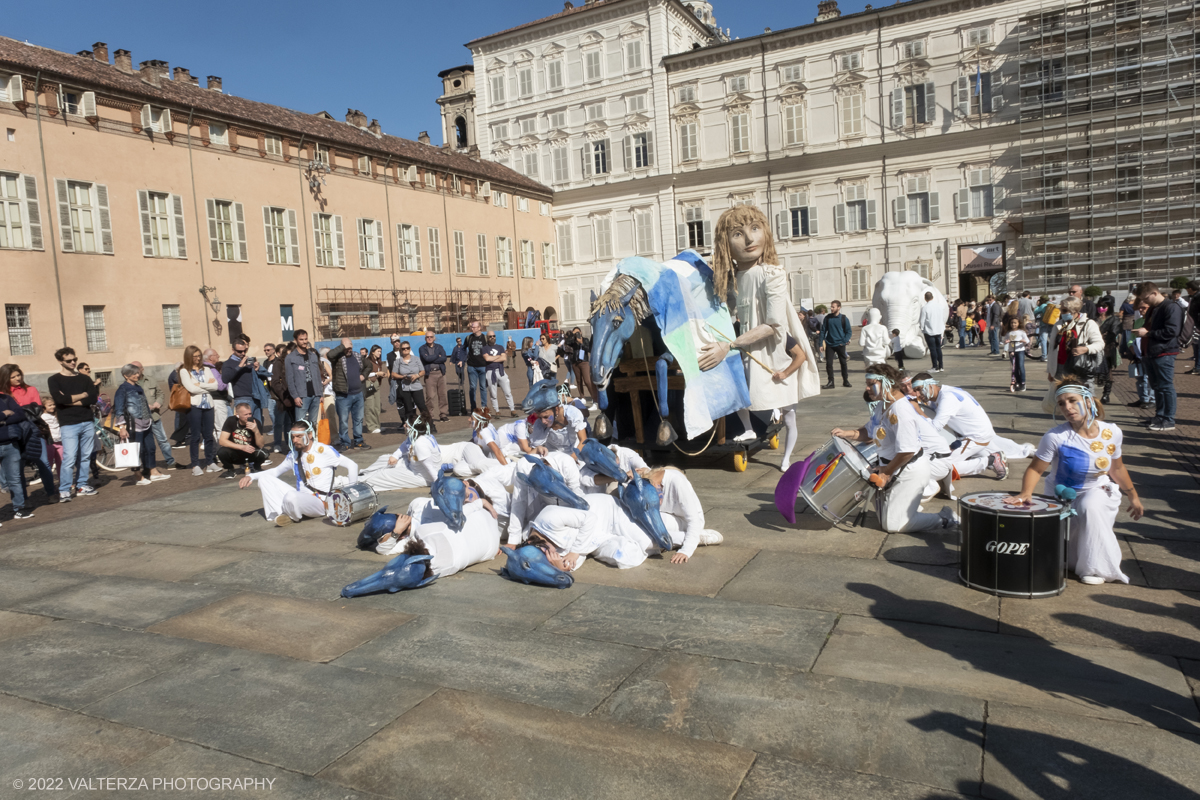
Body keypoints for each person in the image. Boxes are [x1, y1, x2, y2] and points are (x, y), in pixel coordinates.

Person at [698, 205, 821, 450]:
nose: (750, 239)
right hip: (743, 347)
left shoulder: (772, 273)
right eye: (738, 234)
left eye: (755, 229)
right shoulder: (730, 278)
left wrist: (729, 344)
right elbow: (725, 312)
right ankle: (749, 428)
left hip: (764, 350)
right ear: (726, 243)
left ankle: (772, 424)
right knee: (736, 390)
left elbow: (773, 325)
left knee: (778, 406)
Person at [1008, 379, 1141, 584]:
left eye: (1072, 400)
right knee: (1062, 540)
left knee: (1090, 507)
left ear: (1088, 401)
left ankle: (1096, 568)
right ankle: (1074, 561)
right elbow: (1035, 469)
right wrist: (1026, 493)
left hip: (1097, 487)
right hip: (1061, 492)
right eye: (1061, 403)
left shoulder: (1113, 432)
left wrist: (1133, 496)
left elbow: (1117, 468)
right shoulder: (1056, 437)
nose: (1067, 408)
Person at [831, 364, 958, 533]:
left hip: (909, 469)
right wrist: (846, 433)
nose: (867, 388)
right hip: (893, 466)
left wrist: (885, 473)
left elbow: (907, 451)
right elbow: (869, 433)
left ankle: (945, 518)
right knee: (884, 518)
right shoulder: (883, 405)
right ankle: (908, 508)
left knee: (893, 525)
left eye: (871, 383)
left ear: (887, 382)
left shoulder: (900, 409)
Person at [238, 420, 359, 526]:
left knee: (292, 496)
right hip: (301, 497)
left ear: (310, 435)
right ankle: (280, 515)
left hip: (321, 502)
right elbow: (275, 472)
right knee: (265, 480)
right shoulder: (293, 455)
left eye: (299, 436)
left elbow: (352, 465)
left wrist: (351, 496)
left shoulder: (324, 450)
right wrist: (251, 476)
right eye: (293, 436)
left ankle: (290, 515)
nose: (295, 440)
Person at [368, 491, 501, 582]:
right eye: (397, 518)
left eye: (396, 515)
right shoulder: (416, 536)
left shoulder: (417, 503)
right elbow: (383, 550)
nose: (400, 516)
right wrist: (396, 532)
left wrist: (481, 501)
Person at [912, 372, 1033, 467]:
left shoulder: (947, 398)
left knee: (943, 463)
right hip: (981, 433)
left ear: (931, 384)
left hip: (975, 437)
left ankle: (989, 462)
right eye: (915, 391)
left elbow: (935, 427)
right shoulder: (946, 391)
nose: (917, 394)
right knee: (1011, 450)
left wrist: (919, 410)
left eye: (919, 389)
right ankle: (996, 455)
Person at [47, 347, 99, 502]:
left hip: (87, 421)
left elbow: (93, 399)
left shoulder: (84, 378)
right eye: (68, 360)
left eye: (74, 359)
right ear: (60, 361)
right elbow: (59, 400)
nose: (73, 362)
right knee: (69, 457)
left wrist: (70, 400)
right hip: (68, 424)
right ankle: (64, 489)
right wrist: (81, 396)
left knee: (85, 456)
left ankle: (82, 484)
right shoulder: (54, 379)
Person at [1134, 281, 1184, 432]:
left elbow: (1172, 331)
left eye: (1146, 298)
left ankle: (1168, 419)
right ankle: (1160, 416)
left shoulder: (1171, 307)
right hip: (1153, 351)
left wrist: (1147, 333)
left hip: (1165, 351)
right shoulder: (1155, 308)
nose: (1145, 302)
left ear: (1155, 293)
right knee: (1156, 386)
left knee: (1165, 386)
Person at [1, 363, 59, 492]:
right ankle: (24, 500)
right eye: (13, 377)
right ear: (6, 378)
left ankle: (51, 492)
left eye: (19, 375)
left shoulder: (31, 389)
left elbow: (37, 412)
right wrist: (23, 412)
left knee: (44, 462)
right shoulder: (2, 395)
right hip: (15, 434)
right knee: (18, 467)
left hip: (34, 431)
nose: (18, 378)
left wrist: (15, 413)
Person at [113, 364, 171, 486]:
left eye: (137, 373)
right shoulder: (123, 389)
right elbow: (118, 409)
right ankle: (138, 476)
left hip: (146, 421)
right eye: (133, 373)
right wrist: (122, 427)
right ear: (125, 376)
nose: (136, 375)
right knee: (136, 450)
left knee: (150, 448)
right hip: (133, 424)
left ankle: (153, 471)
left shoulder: (138, 387)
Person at [360, 414, 445, 490]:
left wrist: (440, 486)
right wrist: (395, 456)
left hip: (422, 476)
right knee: (384, 458)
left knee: (382, 474)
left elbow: (430, 468)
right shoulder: (418, 436)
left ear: (412, 429)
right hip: (412, 465)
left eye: (406, 425)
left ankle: (357, 482)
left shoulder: (420, 444)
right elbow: (404, 446)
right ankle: (364, 473)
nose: (404, 426)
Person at [1047, 297, 1105, 396]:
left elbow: (1100, 344)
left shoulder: (1089, 324)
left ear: (1075, 311)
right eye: (1061, 309)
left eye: (1064, 310)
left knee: (1085, 398)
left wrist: (1086, 349)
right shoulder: (1059, 325)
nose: (1061, 312)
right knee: (1063, 398)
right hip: (1060, 367)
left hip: (1080, 366)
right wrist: (1050, 370)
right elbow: (1052, 348)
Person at [178, 345, 222, 476]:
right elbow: (191, 389)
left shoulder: (207, 369)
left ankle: (210, 462)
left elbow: (215, 386)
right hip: (195, 406)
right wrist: (207, 387)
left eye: (199, 356)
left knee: (209, 435)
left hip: (208, 405)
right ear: (189, 357)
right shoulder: (184, 371)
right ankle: (195, 464)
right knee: (195, 436)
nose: (198, 359)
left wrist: (201, 385)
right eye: (195, 356)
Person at [327, 337, 369, 451]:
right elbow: (329, 355)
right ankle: (345, 442)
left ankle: (358, 441)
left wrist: (364, 375)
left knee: (358, 419)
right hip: (343, 396)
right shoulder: (337, 358)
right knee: (343, 421)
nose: (349, 349)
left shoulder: (357, 356)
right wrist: (343, 347)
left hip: (358, 394)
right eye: (346, 347)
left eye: (350, 346)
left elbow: (368, 365)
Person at [0, 384, 34, 520]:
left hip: (10, 444)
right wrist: (4, 415)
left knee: (15, 479)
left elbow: (20, 415)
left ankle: (20, 509)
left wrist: (2, 422)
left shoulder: (6, 399)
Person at [216, 401, 269, 478]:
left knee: (264, 453)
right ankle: (230, 470)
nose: (248, 416)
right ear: (237, 415)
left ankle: (256, 467)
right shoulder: (231, 421)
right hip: (235, 452)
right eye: (245, 414)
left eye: (250, 414)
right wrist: (242, 447)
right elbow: (222, 441)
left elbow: (261, 445)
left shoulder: (255, 422)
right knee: (221, 452)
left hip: (250, 452)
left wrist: (256, 430)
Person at [285, 329, 323, 426]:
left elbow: (318, 376)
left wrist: (321, 394)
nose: (304, 341)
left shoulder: (313, 356)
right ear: (296, 340)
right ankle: (299, 441)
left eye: (306, 339)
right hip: (302, 396)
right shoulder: (290, 358)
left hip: (315, 394)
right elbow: (290, 379)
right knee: (300, 424)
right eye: (301, 339)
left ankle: (311, 441)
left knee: (313, 423)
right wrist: (295, 396)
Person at [222, 338, 262, 425]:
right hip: (242, 398)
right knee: (244, 427)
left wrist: (257, 369)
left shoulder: (249, 361)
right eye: (239, 351)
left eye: (245, 351)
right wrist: (239, 366)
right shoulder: (228, 363)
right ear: (233, 350)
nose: (243, 353)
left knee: (258, 427)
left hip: (255, 397)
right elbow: (225, 379)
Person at [391, 340, 431, 425]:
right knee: (408, 409)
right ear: (400, 350)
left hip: (416, 386)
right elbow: (393, 374)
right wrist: (403, 377)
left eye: (407, 348)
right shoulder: (397, 361)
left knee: (422, 406)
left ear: (410, 349)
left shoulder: (416, 359)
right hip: (405, 387)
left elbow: (423, 371)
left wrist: (417, 375)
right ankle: (411, 427)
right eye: (403, 348)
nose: (405, 350)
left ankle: (430, 425)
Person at [818, 300, 853, 388]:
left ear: (839, 307)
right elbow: (823, 331)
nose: (831, 308)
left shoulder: (843, 318)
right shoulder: (827, 318)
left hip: (840, 344)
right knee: (829, 364)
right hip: (830, 344)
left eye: (833, 307)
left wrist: (844, 341)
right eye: (831, 306)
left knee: (843, 363)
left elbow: (848, 331)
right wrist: (820, 344)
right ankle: (831, 382)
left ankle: (845, 381)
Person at [268, 342, 294, 453]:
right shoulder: (277, 363)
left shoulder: (292, 362)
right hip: (280, 398)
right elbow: (274, 382)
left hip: (291, 397)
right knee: (279, 423)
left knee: (289, 423)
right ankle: (277, 444)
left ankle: (289, 444)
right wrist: (283, 397)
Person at [483, 333, 517, 417]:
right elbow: (487, 359)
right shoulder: (484, 348)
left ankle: (512, 409)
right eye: (490, 336)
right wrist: (498, 356)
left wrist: (492, 358)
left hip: (501, 371)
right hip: (490, 372)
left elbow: (504, 358)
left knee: (508, 392)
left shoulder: (500, 347)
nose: (492, 337)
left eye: (494, 336)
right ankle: (497, 411)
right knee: (493, 393)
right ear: (487, 338)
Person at [419, 333, 450, 423]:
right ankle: (430, 416)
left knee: (443, 394)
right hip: (430, 374)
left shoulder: (439, 347)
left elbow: (444, 358)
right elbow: (426, 359)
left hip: (441, 373)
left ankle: (443, 414)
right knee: (430, 396)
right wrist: (437, 356)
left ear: (434, 338)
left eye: (431, 337)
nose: (429, 338)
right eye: (427, 337)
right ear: (425, 338)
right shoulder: (422, 348)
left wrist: (431, 358)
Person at [203, 348, 231, 434]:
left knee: (213, 428)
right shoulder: (211, 369)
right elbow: (221, 386)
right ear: (211, 358)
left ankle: (215, 447)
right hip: (217, 401)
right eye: (216, 355)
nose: (218, 356)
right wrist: (226, 378)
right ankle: (221, 446)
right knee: (221, 428)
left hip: (207, 401)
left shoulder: (201, 368)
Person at [464, 319, 490, 411]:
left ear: (479, 328)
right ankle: (473, 407)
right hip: (471, 366)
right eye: (471, 327)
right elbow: (464, 349)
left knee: (483, 387)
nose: (472, 328)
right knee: (472, 387)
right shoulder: (468, 338)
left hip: (483, 366)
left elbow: (490, 350)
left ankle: (484, 407)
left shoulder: (485, 338)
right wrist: (461, 360)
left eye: (474, 327)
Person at [919, 291, 947, 372]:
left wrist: (922, 328)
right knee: (938, 348)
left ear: (925, 298)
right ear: (932, 297)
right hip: (938, 330)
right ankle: (941, 366)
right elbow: (943, 317)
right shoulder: (939, 306)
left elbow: (922, 320)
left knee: (932, 349)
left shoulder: (925, 308)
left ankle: (935, 366)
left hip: (929, 331)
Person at [363, 344, 385, 435]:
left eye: (380, 351)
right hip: (369, 385)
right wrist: (376, 374)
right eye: (378, 351)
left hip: (376, 385)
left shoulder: (378, 361)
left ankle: (377, 425)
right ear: (373, 352)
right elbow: (364, 374)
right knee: (369, 406)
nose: (380, 353)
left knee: (376, 407)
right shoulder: (367, 361)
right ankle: (371, 427)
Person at [1003, 317, 1030, 393]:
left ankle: (1023, 383)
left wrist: (1023, 341)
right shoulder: (1009, 332)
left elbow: (1027, 340)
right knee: (1014, 368)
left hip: (1020, 351)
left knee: (1021, 366)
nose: (1013, 324)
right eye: (1012, 323)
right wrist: (1006, 341)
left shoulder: (1021, 332)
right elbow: (1005, 341)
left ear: (1018, 323)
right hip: (1012, 351)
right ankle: (1017, 382)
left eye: (1015, 323)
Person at [1186, 280, 1200, 375]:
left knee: (1198, 347)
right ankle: (1197, 366)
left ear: (1190, 288)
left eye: (1187, 288)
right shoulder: (1195, 297)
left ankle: (1198, 367)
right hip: (1196, 324)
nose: (1186, 290)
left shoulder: (1198, 297)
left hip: (1198, 325)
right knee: (1196, 346)